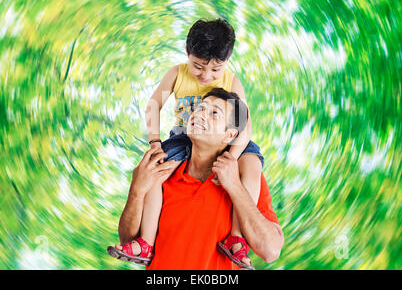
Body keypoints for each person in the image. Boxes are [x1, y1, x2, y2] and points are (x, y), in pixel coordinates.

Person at [109, 18, 266, 269]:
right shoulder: (177, 73)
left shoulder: (232, 81)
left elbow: (244, 124)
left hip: (229, 138)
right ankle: (146, 242)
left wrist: (233, 156)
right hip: (184, 136)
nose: (206, 75)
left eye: (215, 70)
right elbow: (154, 104)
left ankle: (237, 238)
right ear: (187, 53)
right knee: (155, 173)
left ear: (228, 60)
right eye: (199, 66)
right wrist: (155, 142)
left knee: (253, 165)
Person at [108, 88, 283, 269]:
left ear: (230, 135)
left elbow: (270, 251)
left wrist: (234, 187)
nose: (200, 114)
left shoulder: (244, 179)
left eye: (214, 113)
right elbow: (128, 240)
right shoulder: (162, 172)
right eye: (199, 108)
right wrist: (136, 191)